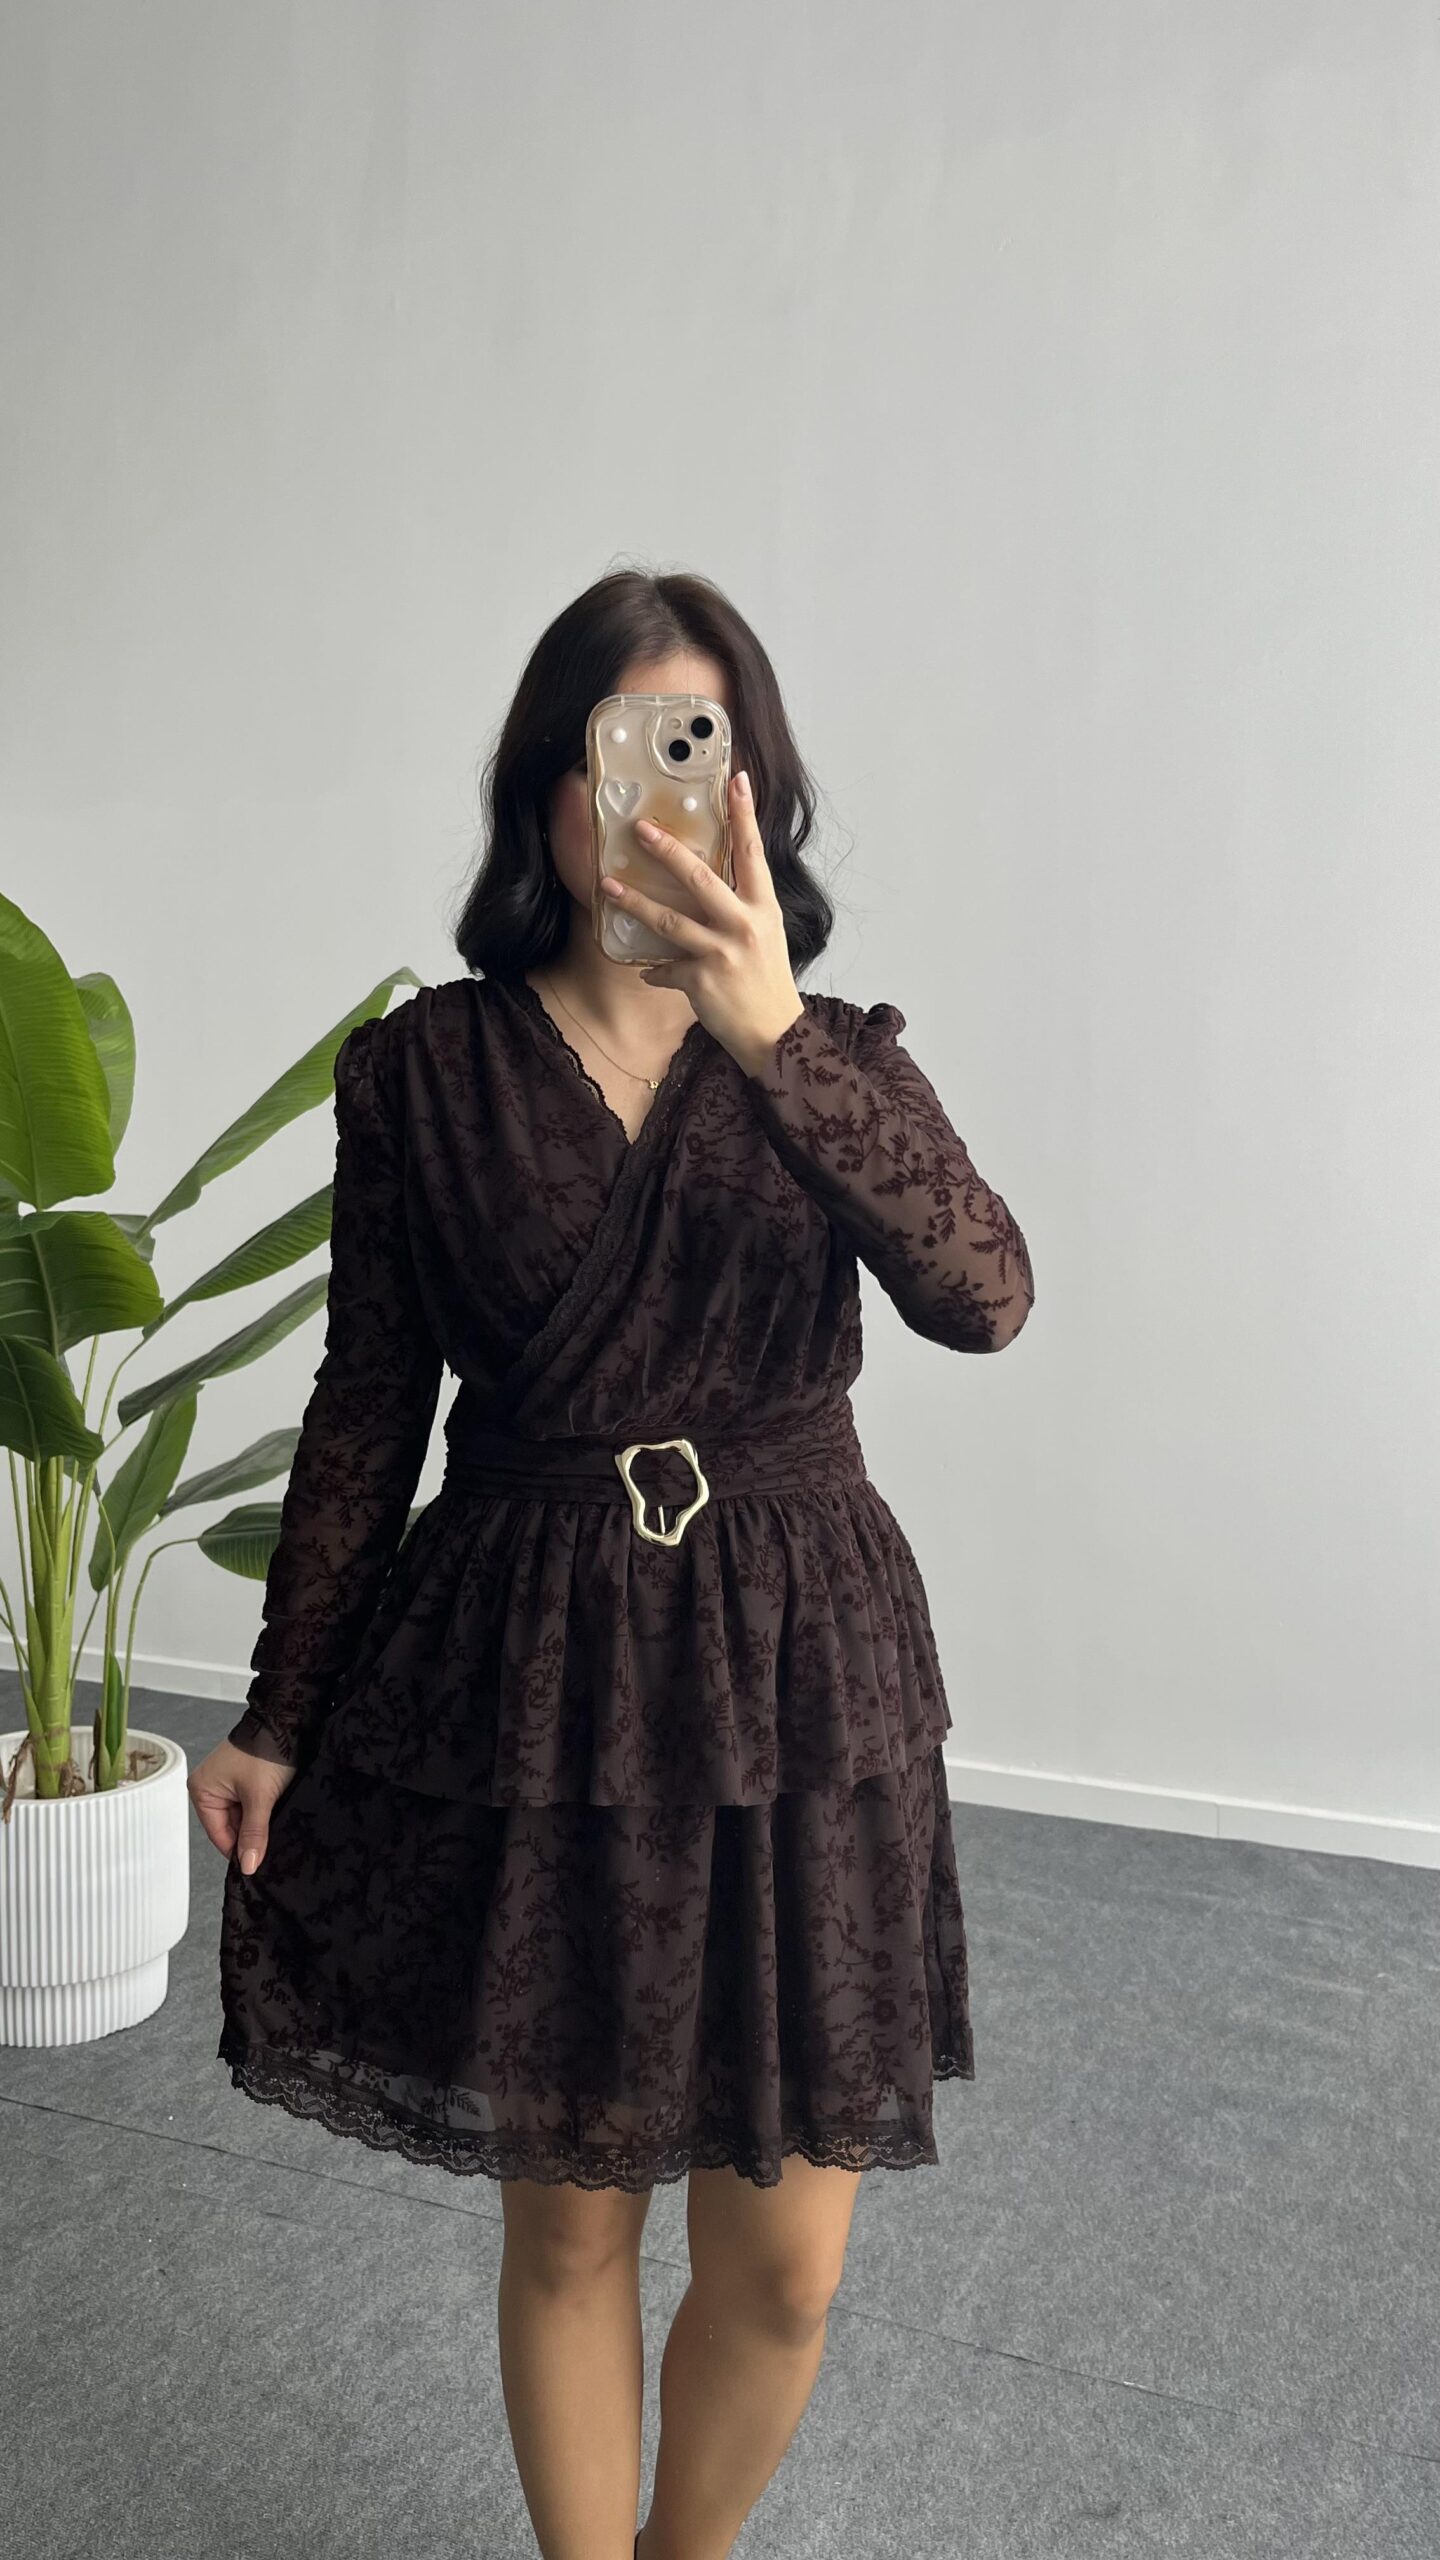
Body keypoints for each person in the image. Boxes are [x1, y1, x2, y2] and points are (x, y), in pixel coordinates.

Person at [188, 566, 1035, 2560]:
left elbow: (987, 1294)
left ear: (755, 794)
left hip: (797, 1664)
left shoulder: (839, 1051)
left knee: (788, 2262)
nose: (652, 800)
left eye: (696, 749)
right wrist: (279, 1714)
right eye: (613, 750)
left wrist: (772, 1038)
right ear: (544, 788)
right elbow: (367, 1408)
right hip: (545, 1668)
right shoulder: (424, 1074)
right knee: (573, 2226)